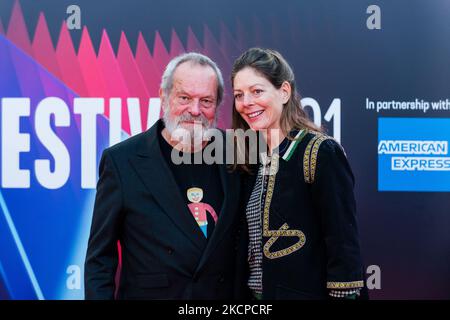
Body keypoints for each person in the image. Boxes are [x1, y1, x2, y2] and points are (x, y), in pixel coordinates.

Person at [85, 52, 245, 299]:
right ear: (164, 96)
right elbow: (99, 260)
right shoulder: (122, 161)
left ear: (218, 105)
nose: (194, 110)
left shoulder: (239, 154)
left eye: (206, 101)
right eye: (184, 98)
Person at [231, 48, 366, 300]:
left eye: (257, 91)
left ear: (284, 92)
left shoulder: (320, 151)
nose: (246, 102)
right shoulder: (248, 158)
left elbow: (343, 243)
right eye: (239, 95)